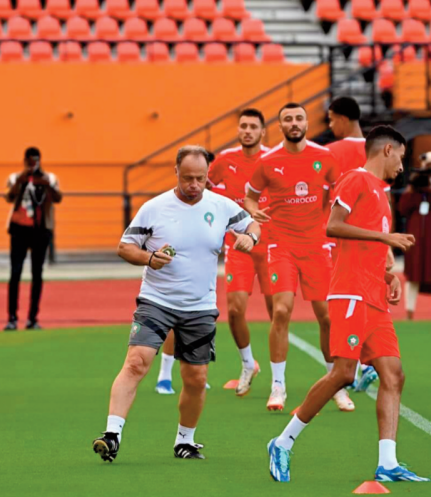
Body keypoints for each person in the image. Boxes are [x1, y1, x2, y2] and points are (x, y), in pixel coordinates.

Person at [268, 126, 429, 483]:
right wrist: (384, 237)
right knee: (343, 373)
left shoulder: (382, 193)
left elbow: (374, 244)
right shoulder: (355, 180)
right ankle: (282, 441)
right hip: (350, 293)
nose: (402, 167)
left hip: (374, 296)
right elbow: (333, 226)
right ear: (387, 150)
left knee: (393, 374)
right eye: (400, 158)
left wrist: (389, 275)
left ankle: (387, 463)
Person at [92, 146, 260, 463]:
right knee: (137, 362)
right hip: (156, 300)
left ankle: (185, 440)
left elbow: (252, 225)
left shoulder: (222, 206)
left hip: (199, 306)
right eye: (188, 178)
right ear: (176, 173)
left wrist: (251, 238)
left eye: (201, 178)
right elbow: (125, 247)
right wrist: (149, 258)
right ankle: (112, 435)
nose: (194, 184)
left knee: (195, 378)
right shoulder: (154, 208)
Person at [244, 103, 355, 413]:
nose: (294, 123)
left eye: (299, 118)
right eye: (288, 119)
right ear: (281, 126)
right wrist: (254, 210)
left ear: (307, 122)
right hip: (281, 246)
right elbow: (250, 195)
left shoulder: (325, 157)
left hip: (317, 246)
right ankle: (277, 386)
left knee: (328, 316)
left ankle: (336, 384)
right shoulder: (269, 161)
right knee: (282, 310)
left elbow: (342, 191)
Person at [201, 108, 273, 396]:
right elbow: (208, 192)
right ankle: (247, 364)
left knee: (277, 312)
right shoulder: (224, 161)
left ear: (262, 131)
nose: (247, 131)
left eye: (253, 126)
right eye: (243, 126)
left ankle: (278, 380)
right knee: (234, 310)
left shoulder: (273, 159)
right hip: (238, 245)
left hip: (271, 245)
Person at [327, 95, 384, 393]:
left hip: (341, 245)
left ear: (343, 118)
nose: (329, 125)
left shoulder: (330, 152)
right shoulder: (376, 153)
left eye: (331, 119)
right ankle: (367, 362)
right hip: (375, 244)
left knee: (334, 308)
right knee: (369, 303)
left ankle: (348, 366)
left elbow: (328, 199)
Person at [4, 147, 62, 331]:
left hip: (40, 230)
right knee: (15, 272)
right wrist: (23, 178)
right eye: (30, 161)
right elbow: (9, 197)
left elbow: (58, 198)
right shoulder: (16, 178)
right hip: (19, 229)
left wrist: (46, 184)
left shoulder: (49, 178)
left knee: (37, 274)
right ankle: (12, 318)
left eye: (35, 160)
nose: (33, 164)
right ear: (25, 161)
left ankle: (32, 318)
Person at [398, 155, 431, 321]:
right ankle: (409, 313)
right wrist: (414, 183)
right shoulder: (415, 189)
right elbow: (402, 208)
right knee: (414, 274)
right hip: (417, 240)